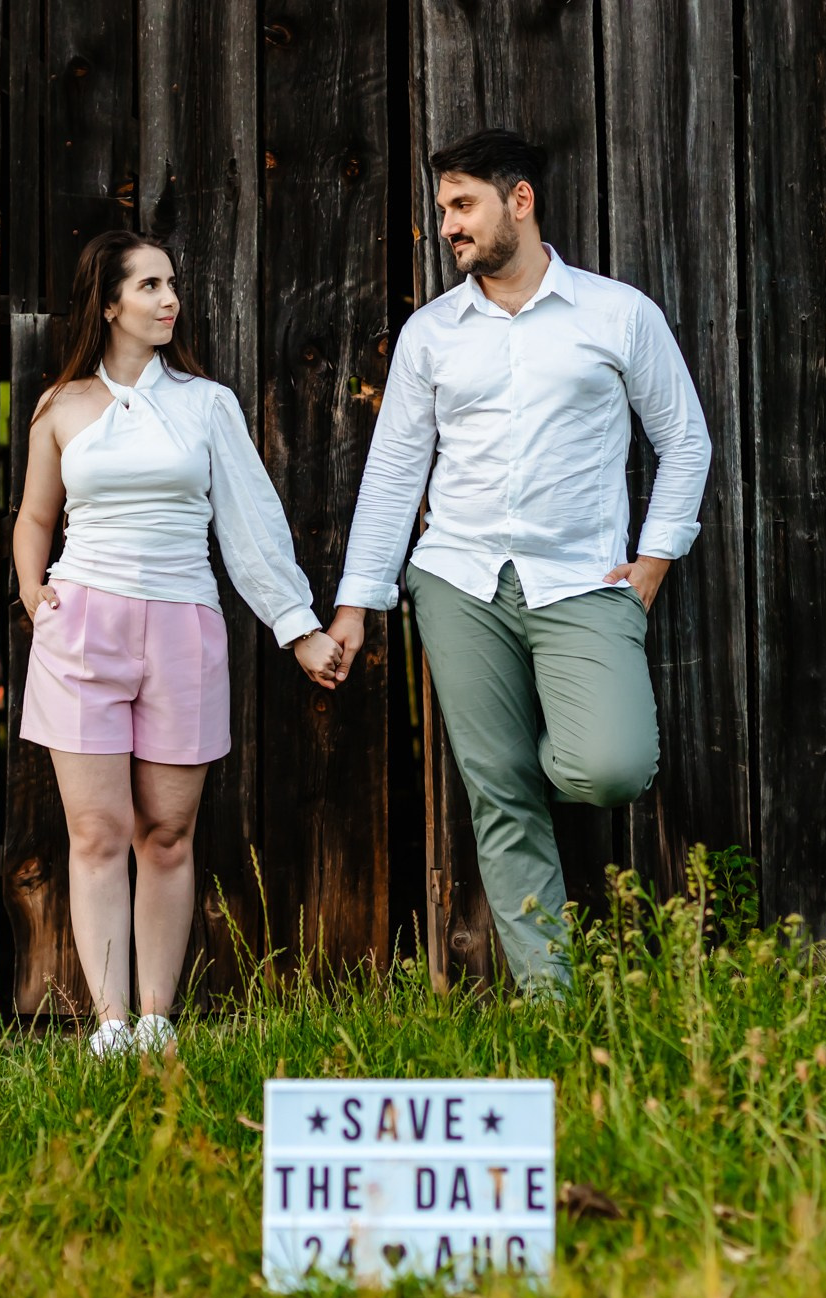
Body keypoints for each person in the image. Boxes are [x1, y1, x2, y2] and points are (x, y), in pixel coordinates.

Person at [323, 129, 713, 998]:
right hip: (458, 581)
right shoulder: (433, 335)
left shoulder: (617, 315)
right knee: (497, 794)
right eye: (443, 211)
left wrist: (651, 563)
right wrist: (358, 602)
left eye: (463, 205)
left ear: (521, 200)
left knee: (608, 764)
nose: (449, 227)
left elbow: (685, 441)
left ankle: (537, 744)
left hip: (584, 581)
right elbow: (394, 473)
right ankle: (555, 1003)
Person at [13, 230, 343, 1056]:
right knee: (95, 832)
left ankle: (157, 1018)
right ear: (110, 302)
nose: (170, 299)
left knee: (167, 831)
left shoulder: (206, 404)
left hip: (182, 627)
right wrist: (32, 592)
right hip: (82, 626)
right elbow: (34, 518)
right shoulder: (61, 406)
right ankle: (110, 1026)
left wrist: (297, 626)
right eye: (151, 285)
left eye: (173, 284)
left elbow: (250, 522)